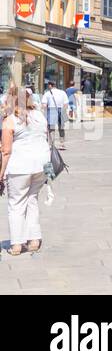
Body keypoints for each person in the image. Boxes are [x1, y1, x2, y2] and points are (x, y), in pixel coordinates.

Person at [2, 85, 52, 255]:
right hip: (41, 165)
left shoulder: (10, 119)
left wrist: (1, 174)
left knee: (16, 204)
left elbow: (6, 151)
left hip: (19, 166)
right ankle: (34, 239)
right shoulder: (39, 116)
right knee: (32, 200)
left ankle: (16, 244)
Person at [40, 79, 68, 149]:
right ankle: (62, 144)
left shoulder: (47, 93)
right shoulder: (62, 92)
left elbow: (44, 105)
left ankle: (52, 144)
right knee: (61, 128)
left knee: (51, 129)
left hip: (51, 110)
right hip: (61, 109)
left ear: (50, 85)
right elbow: (66, 104)